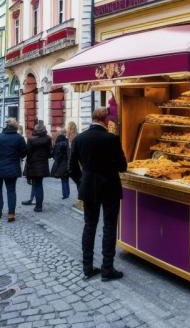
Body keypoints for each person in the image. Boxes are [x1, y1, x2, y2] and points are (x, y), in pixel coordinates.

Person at [69, 107, 127, 281]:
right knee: (109, 227)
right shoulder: (112, 139)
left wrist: (82, 182)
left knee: (89, 226)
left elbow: (71, 169)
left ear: (93, 118)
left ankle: (87, 267)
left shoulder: (79, 139)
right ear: (105, 120)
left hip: (88, 187)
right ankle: (107, 268)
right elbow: (122, 166)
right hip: (109, 187)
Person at [0, 118, 27, 222]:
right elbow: (24, 152)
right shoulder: (19, 138)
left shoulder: (0, 137)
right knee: (11, 191)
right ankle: (11, 214)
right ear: (16, 127)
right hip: (12, 168)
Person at [26, 123, 52, 212]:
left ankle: (37, 206)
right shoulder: (48, 139)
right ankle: (39, 206)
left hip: (33, 165)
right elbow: (49, 154)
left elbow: (28, 154)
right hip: (43, 165)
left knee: (36, 185)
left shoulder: (30, 140)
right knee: (39, 185)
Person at [51, 127, 70, 199]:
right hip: (67, 162)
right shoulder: (68, 141)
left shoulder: (58, 143)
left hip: (61, 163)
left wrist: (56, 162)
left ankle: (65, 194)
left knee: (63, 179)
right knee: (66, 178)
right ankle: (67, 193)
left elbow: (56, 155)